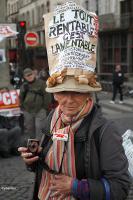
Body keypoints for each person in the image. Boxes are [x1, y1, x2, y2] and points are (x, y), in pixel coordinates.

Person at [18, 2, 130, 200]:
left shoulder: (104, 130)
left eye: (77, 93)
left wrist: (77, 187)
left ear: (88, 94)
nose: (68, 100)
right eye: (62, 92)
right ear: (54, 94)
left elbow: (120, 187)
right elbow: (47, 166)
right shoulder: (52, 119)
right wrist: (33, 161)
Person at [19, 68, 51, 140]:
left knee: (40, 127)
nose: (29, 76)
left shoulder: (42, 83)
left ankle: (40, 144)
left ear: (33, 74)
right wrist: (22, 107)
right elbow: (20, 97)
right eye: (27, 75)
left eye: (30, 74)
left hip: (40, 110)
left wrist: (44, 108)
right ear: (24, 77)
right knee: (29, 127)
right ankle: (32, 144)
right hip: (28, 110)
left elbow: (47, 96)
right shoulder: (24, 86)